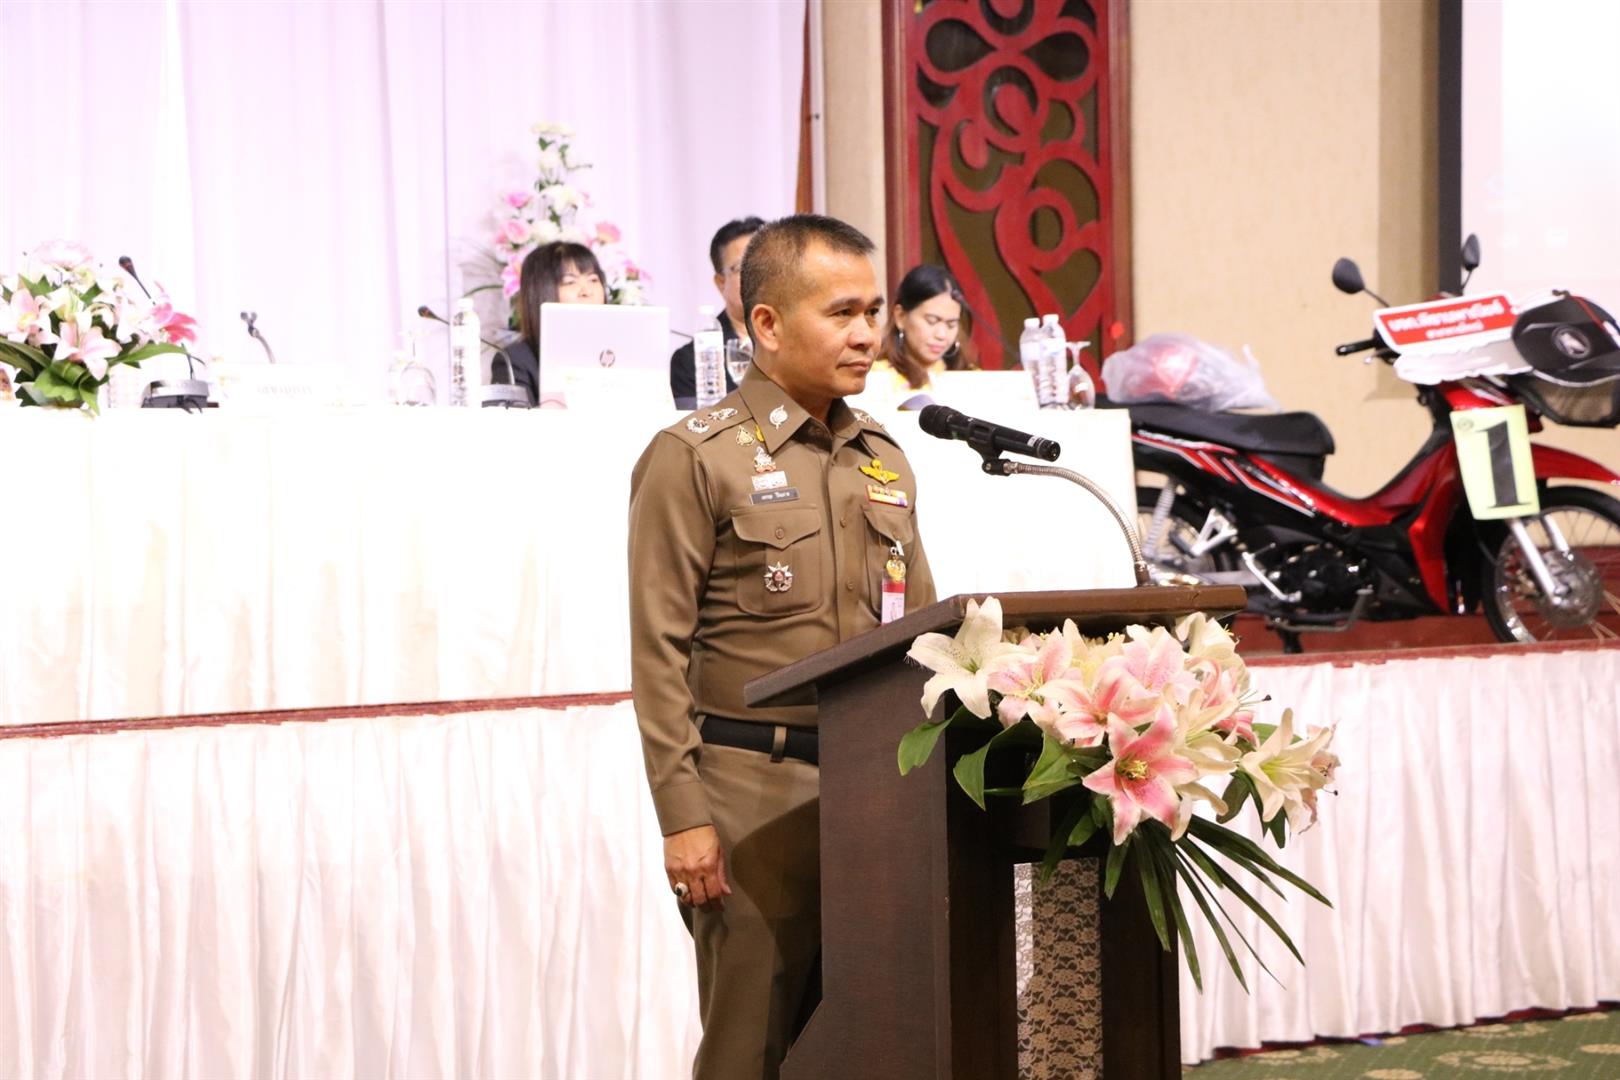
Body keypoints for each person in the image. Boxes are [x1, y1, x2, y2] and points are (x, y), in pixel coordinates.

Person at [627, 214, 938, 1079]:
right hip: (749, 800)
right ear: (765, 323)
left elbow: (919, 634)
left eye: (873, 311)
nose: (868, 334)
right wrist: (684, 817)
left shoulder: (883, 457)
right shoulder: (695, 458)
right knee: (749, 1052)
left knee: (869, 1048)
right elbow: (657, 653)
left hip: (874, 794)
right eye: (842, 313)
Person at [669, 216, 765, 406]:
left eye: (764, 264)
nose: (756, 274)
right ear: (721, 282)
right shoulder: (689, 361)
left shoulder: (798, 341)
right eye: (742, 267)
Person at [503, 240, 607, 405]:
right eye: (570, 282)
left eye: (593, 280)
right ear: (542, 291)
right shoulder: (517, 360)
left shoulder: (616, 352)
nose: (587, 291)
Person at [864, 264, 975, 408]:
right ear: (900, 316)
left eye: (951, 324)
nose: (941, 335)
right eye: (931, 321)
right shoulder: (873, 376)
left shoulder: (971, 378)